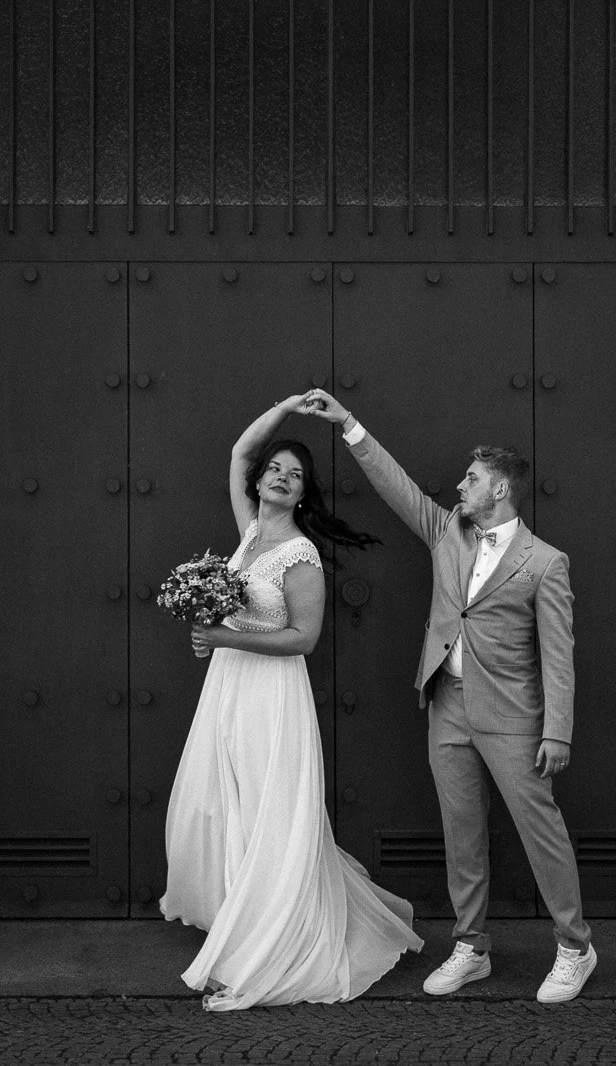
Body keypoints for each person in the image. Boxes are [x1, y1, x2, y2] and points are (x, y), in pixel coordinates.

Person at [300, 388, 596, 1004]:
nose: (459, 486)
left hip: (514, 717)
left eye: (472, 478)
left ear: (501, 491)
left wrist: (558, 730)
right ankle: (471, 946)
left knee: (541, 831)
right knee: (461, 831)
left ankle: (575, 947)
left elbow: (558, 656)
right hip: (446, 704)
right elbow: (398, 487)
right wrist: (349, 424)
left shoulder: (545, 564)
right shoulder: (448, 533)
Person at [161, 393, 423, 1011]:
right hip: (228, 684)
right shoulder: (248, 530)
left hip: (271, 696)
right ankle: (238, 917)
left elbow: (303, 638)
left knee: (267, 808)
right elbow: (238, 450)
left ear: (304, 493)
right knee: (224, 800)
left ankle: (268, 942)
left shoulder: (300, 554)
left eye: (295, 474)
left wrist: (224, 634)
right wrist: (286, 407)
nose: (280, 476)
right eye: (275, 469)